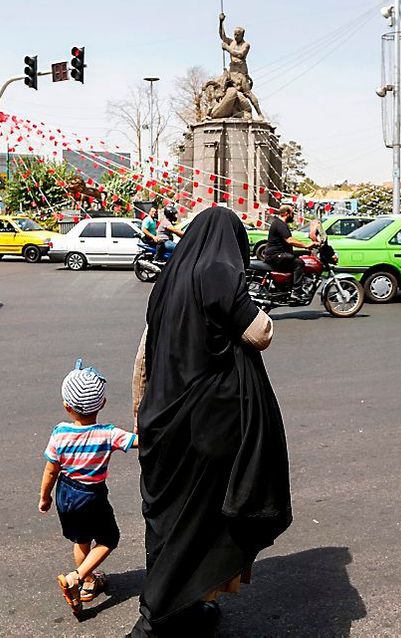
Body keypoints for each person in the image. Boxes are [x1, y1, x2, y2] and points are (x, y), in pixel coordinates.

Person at [128, 206, 292, 637]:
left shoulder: (167, 281)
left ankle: (183, 609)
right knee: (194, 525)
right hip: (204, 428)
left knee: (170, 523)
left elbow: (147, 351)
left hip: (163, 420)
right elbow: (260, 333)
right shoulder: (219, 271)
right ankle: (155, 621)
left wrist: (140, 411)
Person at [38, 359, 138, 616]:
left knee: (81, 540)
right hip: (92, 496)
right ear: (102, 404)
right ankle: (77, 577)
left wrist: (45, 498)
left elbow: (51, 470)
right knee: (108, 539)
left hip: (66, 494)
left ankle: (88, 584)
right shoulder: (108, 433)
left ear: (66, 406)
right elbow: (138, 441)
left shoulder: (59, 434)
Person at [262, 205, 314, 289]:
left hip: (278, 254)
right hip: (276, 255)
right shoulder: (279, 224)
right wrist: (306, 245)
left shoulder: (280, 223)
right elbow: (289, 240)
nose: (293, 215)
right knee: (299, 263)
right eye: (292, 213)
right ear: (286, 213)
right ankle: (297, 290)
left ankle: (288, 284)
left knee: (303, 255)